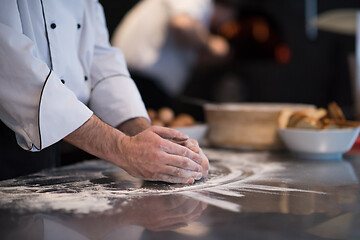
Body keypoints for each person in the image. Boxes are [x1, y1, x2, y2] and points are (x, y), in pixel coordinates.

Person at [0, 0, 209, 183]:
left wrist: (143, 135)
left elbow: (101, 61)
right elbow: (11, 67)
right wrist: (123, 148)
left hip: (54, 139)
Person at [111, 0, 236, 110]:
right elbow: (183, 25)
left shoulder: (199, 16)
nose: (225, 24)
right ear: (228, 9)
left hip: (140, 80)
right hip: (142, 82)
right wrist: (211, 43)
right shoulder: (201, 2)